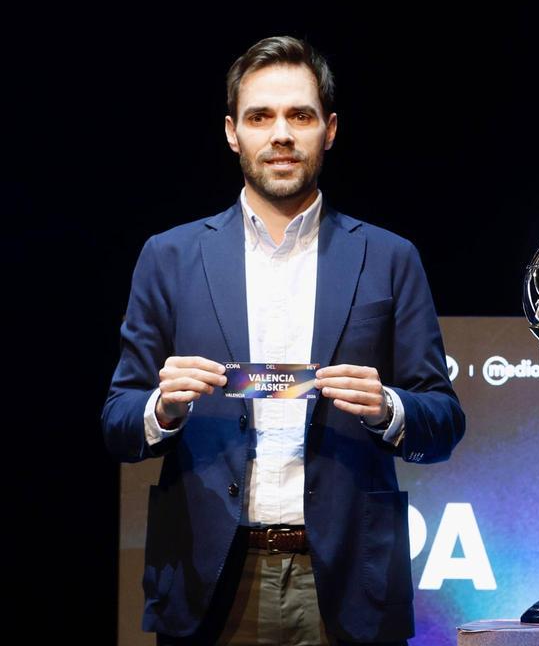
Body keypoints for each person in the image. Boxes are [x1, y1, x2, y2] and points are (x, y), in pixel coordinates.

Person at [103, 36, 465, 645]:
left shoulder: (389, 257)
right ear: (231, 132)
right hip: (208, 582)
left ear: (329, 130)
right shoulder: (168, 257)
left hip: (349, 583)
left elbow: (444, 423)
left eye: (299, 115)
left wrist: (390, 408)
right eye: (259, 116)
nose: (280, 134)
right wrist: (160, 409)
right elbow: (117, 422)